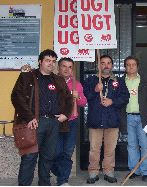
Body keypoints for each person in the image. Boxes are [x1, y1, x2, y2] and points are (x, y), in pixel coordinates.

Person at [11, 49, 73, 186]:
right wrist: (29, 117)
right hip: (34, 123)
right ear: (40, 61)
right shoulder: (27, 76)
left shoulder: (58, 80)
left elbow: (69, 100)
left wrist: (65, 115)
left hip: (53, 123)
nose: (51, 64)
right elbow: (16, 97)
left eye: (53, 61)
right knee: (29, 157)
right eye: (47, 61)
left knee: (48, 158)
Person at [83, 55, 130, 184]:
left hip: (112, 120)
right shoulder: (91, 80)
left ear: (112, 65)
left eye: (109, 63)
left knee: (110, 149)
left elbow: (125, 97)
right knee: (94, 149)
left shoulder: (118, 81)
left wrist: (112, 101)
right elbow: (85, 96)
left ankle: (109, 171)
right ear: (98, 66)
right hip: (96, 120)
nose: (106, 65)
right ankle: (93, 172)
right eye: (103, 63)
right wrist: (95, 90)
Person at [51, 58, 87, 185]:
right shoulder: (52, 81)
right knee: (55, 152)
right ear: (58, 67)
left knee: (67, 151)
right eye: (64, 66)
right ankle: (59, 171)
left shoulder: (76, 84)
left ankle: (62, 180)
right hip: (56, 121)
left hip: (71, 122)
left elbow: (83, 102)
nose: (67, 69)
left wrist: (79, 97)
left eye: (70, 67)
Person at [121, 56, 147, 182]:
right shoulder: (121, 81)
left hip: (143, 117)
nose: (131, 67)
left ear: (137, 66)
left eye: (133, 64)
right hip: (128, 116)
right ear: (125, 67)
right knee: (132, 145)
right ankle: (134, 170)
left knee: (145, 145)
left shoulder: (146, 80)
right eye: (128, 65)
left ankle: (146, 172)